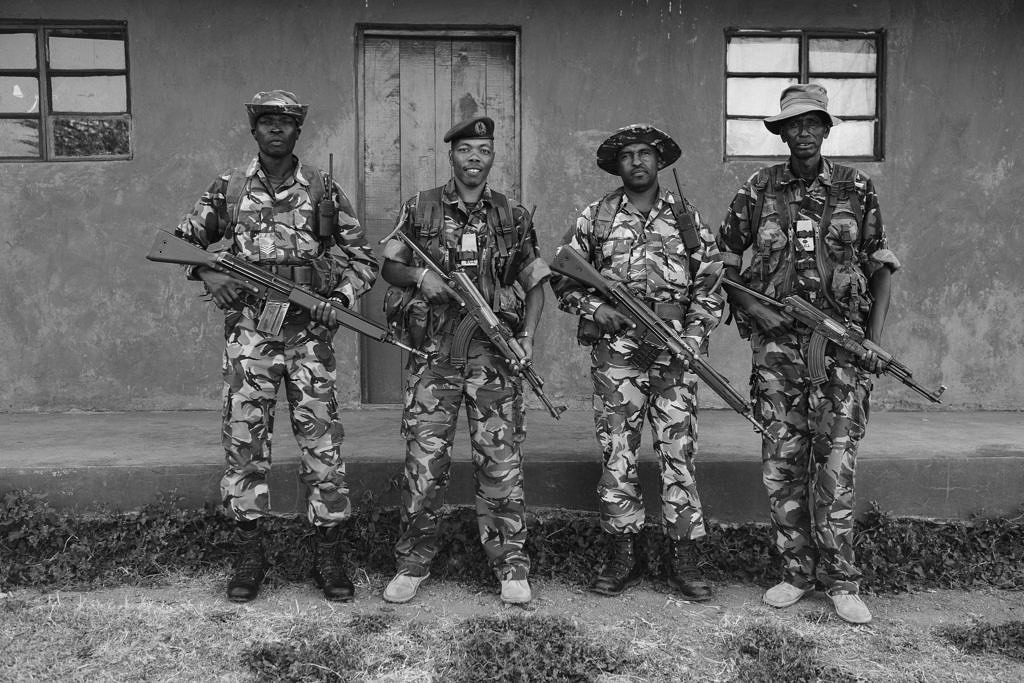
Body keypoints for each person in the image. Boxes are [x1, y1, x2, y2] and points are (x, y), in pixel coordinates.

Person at [175, 90, 378, 603]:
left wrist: (338, 297)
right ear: (254, 129)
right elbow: (180, 240)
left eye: (285, 123)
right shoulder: (229, 189)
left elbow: (363, 260)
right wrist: (209, 273)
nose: (275, 130)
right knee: (245, 446)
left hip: (310, 337)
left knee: (323, 448)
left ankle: (328, 555)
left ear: (297, 131)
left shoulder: (325, 191)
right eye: (266, 122)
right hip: (251, 337)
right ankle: (250, 555)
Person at [716, 84, 901, 624]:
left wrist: (873, 339)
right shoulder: (758, 188)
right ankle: (794, 572)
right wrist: (757, 311)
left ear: (825, 128)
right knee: (783, 462)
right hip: (777, 354)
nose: (803, 132)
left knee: (836, 463)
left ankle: (842, 580)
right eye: (793, 124)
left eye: (812, 123)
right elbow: (724, 263)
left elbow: (880, 265)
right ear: (781, 131)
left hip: (841, 347)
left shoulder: (856, 187)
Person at [378, 116, 550, 605]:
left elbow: (537, 282)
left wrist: (528, 337)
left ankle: (511, 565)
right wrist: (417, 276)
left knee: (500, 461)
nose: (474, 158)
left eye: (483, 150)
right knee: (425, 463)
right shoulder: (420, 207)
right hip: (433, 357)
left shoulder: (510, 214)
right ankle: (413, 562)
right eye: (465, 149)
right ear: (451, 155)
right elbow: (387, 265)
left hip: (494, 360)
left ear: (493, 157)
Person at [550, 124, 724, 601]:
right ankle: (621, 555)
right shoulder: (597, 216)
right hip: (618, 357)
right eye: (628, 155)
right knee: (618, 455)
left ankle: (684, 558)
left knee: (678, 455)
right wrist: (594, 309)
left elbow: (711, 286)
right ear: (618, 165)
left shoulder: (686, 218)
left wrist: (690, 338)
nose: (638, 162)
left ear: (659, 160)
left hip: (673, 353)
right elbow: (563, 277)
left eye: (646, 153)